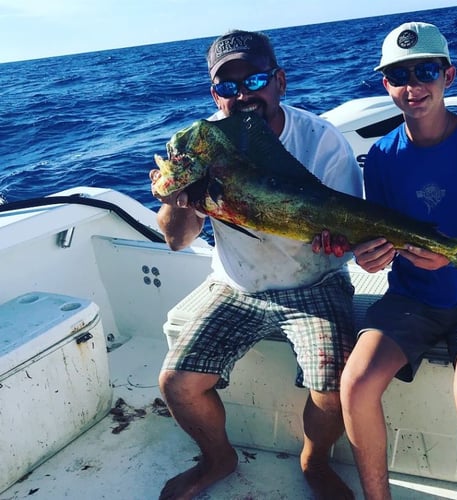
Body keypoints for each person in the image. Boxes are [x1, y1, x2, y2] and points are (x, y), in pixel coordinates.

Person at [149, 30, 362, 500]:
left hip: (315, 279)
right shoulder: (197, 145)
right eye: (229, 87)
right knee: (176, 384)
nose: (243, 94)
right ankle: (217, 458)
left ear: (280, 82)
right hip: (235, 285)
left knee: (334, 392)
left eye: (256, 80)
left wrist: (338, 245)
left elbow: (348, 234)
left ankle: (315, 460)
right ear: (215, 94)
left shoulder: (322, 141)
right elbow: (176, 240)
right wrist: (177, 200)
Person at [340, 22, 457, 500]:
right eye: (399, 75)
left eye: (425, 70)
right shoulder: (380, 157)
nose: (413, 85)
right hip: (408, 300)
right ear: (386, 86)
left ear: (449, 75)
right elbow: (372, 241)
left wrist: (453, 261)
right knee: (356, 385)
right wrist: (369, 257)